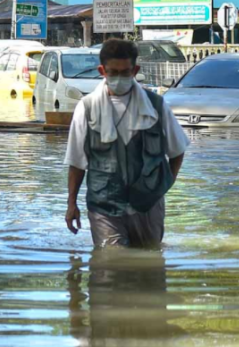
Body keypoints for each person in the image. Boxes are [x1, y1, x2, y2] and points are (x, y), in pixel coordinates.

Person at [64, 39, 189, 248]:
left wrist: (162, 187)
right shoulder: (86, 108)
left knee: (149, 267)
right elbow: (77, 163)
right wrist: (71, 204)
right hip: (104, 206)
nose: (119, 78)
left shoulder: (156, 106)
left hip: (148, 205)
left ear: (135, 70)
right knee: (111, 264)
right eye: (113, 72)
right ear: (102, 70)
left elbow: (177, 151)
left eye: (125, 72)